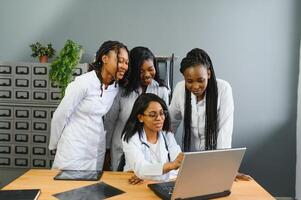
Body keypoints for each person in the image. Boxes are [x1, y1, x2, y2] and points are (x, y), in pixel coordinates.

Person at [169, 48, 252, 181]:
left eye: (200, 80)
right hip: (189, 162)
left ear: (208, 73)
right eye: (189, 81)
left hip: (214, 160)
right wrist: (164, 161)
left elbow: (224, 131)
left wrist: (224, 167)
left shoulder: (223, 89)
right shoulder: (179, 89)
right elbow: (169, 127)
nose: (195, 86)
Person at [49, 40, 129, 171]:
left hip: (96, 149)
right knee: (65, 188)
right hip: (73, 148)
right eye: (120, 61)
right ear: (105, 58)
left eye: (126, 63)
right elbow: (61, 114)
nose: (124, 66)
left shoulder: (114, 87)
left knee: (91, 189)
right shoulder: (83, 83)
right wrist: (55, 144)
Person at [104, 46, 169, 171]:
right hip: (121, 150)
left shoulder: (161, 91)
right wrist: (106, 152)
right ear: (133, 71)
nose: (147, 75)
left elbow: (164, 123)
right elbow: (110, 123)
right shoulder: (121, 91)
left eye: (150, 69)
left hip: (150, 152)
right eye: (141, 71)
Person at [122, 93, 183, 184]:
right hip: (134, 184)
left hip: (160, 184)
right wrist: (170, 166)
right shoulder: (131, 138)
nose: (159, 118)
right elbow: (141, 168)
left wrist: (146, 174)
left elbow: (179, 166)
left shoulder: (167, 135)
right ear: (140, 117)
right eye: (152, 115)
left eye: (162, 113)